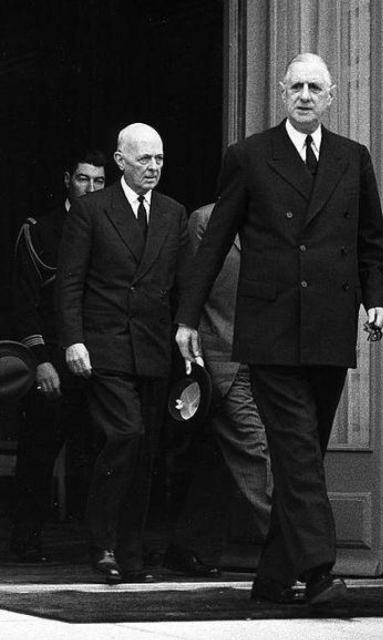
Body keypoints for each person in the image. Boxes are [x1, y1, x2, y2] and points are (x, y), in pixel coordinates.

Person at [175, 53, 383, 607]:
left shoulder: (353, 157)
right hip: (269, 331)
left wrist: (378, 301)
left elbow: (371, 240)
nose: (304, 94)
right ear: (280, 91)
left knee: (305, 455)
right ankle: (319, 571)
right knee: (295, 451)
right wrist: (186, 320)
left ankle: (272, 577)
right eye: (295, 85)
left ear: (332, 94)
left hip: (328, 329)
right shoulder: (249, 156)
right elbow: (215, 240)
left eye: (315, 86)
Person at [56, 123, 190, 584]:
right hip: (105, 347)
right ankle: (104, 544)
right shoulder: (92, 211)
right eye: (143, 160)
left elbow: (182, 286)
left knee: (146, 450)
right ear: (119, 161)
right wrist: (73, 339)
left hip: (153, 349)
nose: (152, 168)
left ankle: (130, 554)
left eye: (158, 160)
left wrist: (187, 338)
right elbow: (70, 282)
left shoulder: (174, 213)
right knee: (126, 435)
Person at [161, 203, 274, 577]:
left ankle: (187, 545)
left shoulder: (276, 219)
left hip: (265, 359)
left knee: (219, 460)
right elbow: (189, 290)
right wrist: (198, 358)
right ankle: (294, 556)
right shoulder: (205, 221)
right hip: (219, 358)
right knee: (256, 451)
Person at [8, 150, 106, 562]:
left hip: (99, 361)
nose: (90, 188)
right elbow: (23, 301)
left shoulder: (113, 225)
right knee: (39, 452)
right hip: (51, 361)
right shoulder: (41, 231)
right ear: (68, 180)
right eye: (83, 179)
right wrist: (41, 359)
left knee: (100, 451)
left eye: (99, 181)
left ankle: (100, 544)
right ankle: (26, 538)